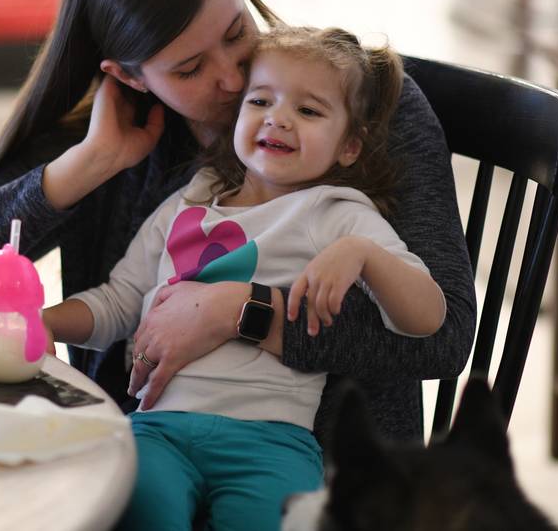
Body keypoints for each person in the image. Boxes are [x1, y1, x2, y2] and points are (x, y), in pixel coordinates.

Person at [0, 0, 474, 448]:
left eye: (236, 33)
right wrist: (88, 164)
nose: (231, 79)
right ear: (129, 77)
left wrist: (240, 311)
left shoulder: (361, 101)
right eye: (190, 68)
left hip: (330, 470)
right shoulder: (117, 136)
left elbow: (443, 341)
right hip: (144, 448)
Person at [41, 26, 448, 530]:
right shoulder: (189, 202)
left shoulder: (339, 216)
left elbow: (429, 320)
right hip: (157, 429)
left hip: (273, 442)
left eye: (309, 110)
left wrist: (363, 255)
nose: (278, 118)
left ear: (348, 147)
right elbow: (118, 302)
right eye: (261, 100)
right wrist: (41, 325)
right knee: (136, 512)